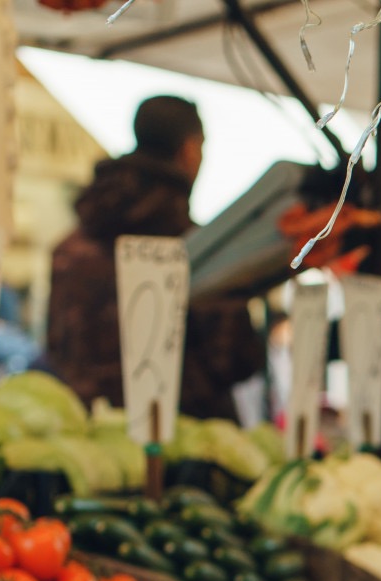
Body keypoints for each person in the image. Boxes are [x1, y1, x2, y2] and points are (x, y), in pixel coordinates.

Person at [45, 96, 262, 423]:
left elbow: (56, 349)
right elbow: (236, 359)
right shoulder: (197, 249)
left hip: (90, 440)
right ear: (189, 149)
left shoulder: (71, 248)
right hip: (186, 444)